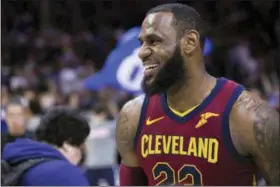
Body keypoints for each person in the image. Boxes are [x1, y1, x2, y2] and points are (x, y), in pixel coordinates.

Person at [115, 3, 279, 186]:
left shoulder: (252, 117)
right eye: (142, 42)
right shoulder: (132, 117)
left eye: (154, 41)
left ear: (190, 42)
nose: (142, 52)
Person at [2, 107, 90, 186]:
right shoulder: (65, 174)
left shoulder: (16, 160)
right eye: (81, 146)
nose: (82, 153)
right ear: (67, 143)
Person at [84, 103, 117, 186]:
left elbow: (120, 121)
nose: (98, 116)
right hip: (91, 165)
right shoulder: (88, 127)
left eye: (100, 114)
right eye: (96, 114)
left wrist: (111, 105)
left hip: (107, 164)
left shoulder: (111, 126)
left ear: (105, 114)